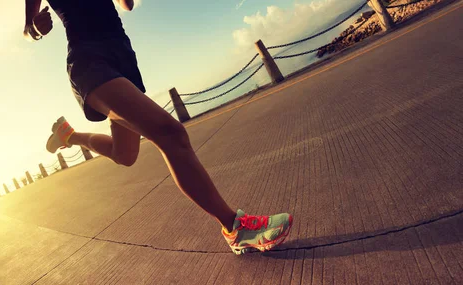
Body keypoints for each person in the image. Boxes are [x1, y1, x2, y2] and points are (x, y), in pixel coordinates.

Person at [23, 0, 293, 255]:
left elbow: (126, 4)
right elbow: (28, 29)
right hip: (89, 61)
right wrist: (35, 27)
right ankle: (235, 228)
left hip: (122, 55)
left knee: (125, 154)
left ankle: (69, 136)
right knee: (171, 134)